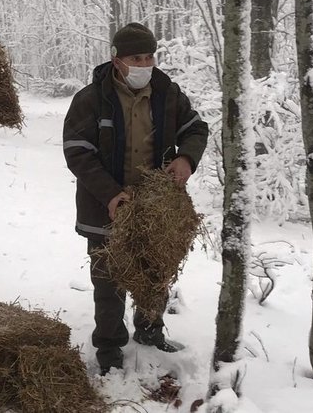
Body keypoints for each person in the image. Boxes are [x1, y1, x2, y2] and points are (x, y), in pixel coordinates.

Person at [62, 22, 208, 375]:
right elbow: (77, 151)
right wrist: (110, 194)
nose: (144, 64)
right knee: (108, 280)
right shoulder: (91, 99)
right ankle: (109, 347)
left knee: (155, 271)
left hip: (155, 208)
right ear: (117, 60)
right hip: (105, 206)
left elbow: (195, 128)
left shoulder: (167, 93)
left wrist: (186, 158)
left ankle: (150, 331)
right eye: (135, 58)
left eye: (148, 57)